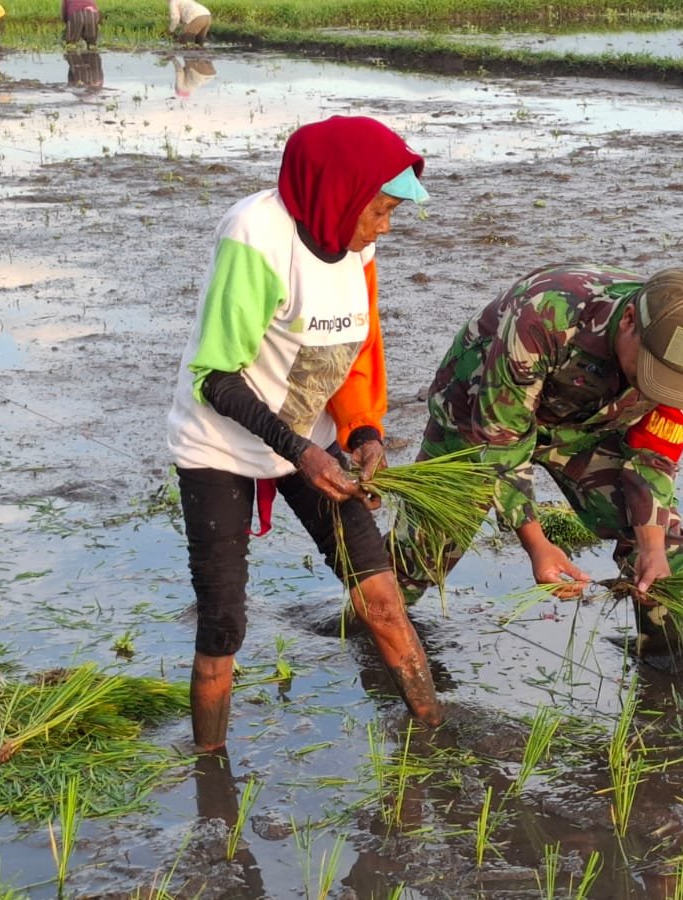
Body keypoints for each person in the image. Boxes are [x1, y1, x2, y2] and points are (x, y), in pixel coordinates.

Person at [166, 115, 440, 752]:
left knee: (383, 600)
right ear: (338, 193)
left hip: (310, 443)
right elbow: (217, 377)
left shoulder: (356, 245)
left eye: (391, 212)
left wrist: (366, 430)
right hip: (222, 446)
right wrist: (302, 450)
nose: (385, 227)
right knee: (223, 626)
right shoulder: (256, 237)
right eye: (380, 210)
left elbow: (354, 349)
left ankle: (433, 734)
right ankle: (212, 773)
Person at [395, 264, 683, 659]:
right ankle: (374, 628)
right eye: (651, 369)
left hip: (588, 425)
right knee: (426, 545)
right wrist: (537, 545)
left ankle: (664, 662)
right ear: (627, 321)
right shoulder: (545, 314)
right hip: (478, 410)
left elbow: (653, 458)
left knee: (664, 549)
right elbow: (502, 442)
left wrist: (651, 547)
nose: (655, 386)